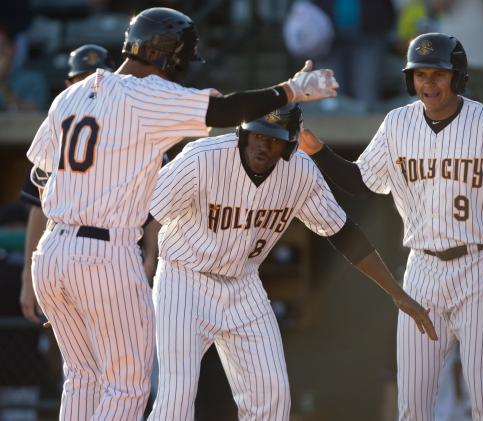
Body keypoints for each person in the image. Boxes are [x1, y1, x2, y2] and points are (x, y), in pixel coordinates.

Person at [25, 6, 339, 420]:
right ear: (167, 56)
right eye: (180, 63)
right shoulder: (146, 93)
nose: (180, 72)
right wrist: (291, 91)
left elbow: (41, 174)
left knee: (82, 376)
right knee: (128, 386)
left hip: (52, 253)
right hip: (103, 252)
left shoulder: (71, 94)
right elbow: (226, 112)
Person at [299, 32, 483, 420]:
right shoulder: (397, 123)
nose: (428, 83)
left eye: (438, 74)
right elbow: (361, 183)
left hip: (480, 267)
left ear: (457, 77)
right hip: (422, 270)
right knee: (412, 399)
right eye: (420, 75)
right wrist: (317, 151)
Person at [146, 102, 437, 421]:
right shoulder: (202, 157)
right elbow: (148, 215)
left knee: (273, 398)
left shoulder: (300, 172)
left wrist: (395, 291)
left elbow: (342, 233)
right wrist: (145, 264)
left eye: (273, 139)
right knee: (177, 396)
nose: (262, 145)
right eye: (256, 135)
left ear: (290, 143)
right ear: (243, 133)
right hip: (183, 278)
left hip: (243, 283)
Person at [20, 43, 116, 325]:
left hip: (121, 254)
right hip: (66, 251)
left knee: (134, 363)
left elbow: (156, 208)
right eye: (81, 78)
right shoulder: (56, 130)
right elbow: (39, 207)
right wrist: (28, 276)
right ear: (68, 84)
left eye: (95, 77)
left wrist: (150, 261)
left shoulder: (129, 125)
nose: (89, 85)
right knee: (76, 361)